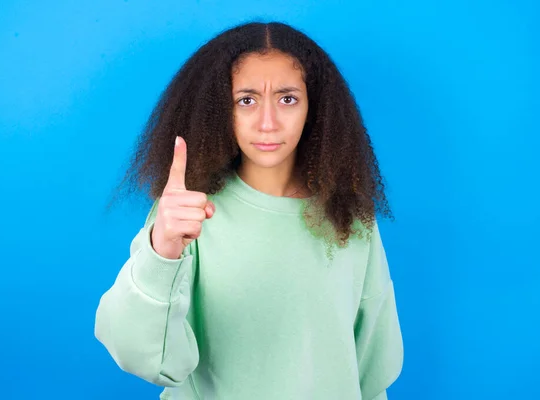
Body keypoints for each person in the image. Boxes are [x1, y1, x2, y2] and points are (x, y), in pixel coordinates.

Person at [94, 21, 403, 400]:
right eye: (247, 100)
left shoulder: (352, 218)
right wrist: (162, 248)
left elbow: (372, 371)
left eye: (287, 98)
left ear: (314, 108)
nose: (268, 123)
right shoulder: (185, 213)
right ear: (220, 109)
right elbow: (140, 355)